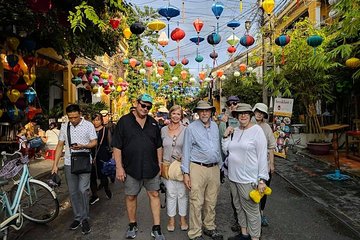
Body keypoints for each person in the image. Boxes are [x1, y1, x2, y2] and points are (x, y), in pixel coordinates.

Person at [112, 93, 165, 240]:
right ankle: (132, 224)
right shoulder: (124, 122)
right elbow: (117, 146)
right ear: (137, 103)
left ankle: (157, 228)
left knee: (154, 195)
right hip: (131, 168)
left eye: (148, 107)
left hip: (152, 167)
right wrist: (119, 167)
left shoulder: (153, 123)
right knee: (130, 196)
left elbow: (158, 146)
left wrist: (160, 164)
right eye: (143, 105)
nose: (145, 108)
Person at [222, 103, 269, 240]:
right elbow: (227, 151)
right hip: (233, 177)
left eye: (246, 113)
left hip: (248, 179)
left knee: (252, 211)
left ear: (250, 115)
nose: (243, 116)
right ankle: (244, 234)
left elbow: (262, 156)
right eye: (240, 113)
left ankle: (255, 237)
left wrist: (262, 180)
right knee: (239, 207)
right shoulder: (235, 131)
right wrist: (225, 137)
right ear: (236, 116)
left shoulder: (257, 131)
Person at [51, 104, 97, 235]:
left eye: (75, 117)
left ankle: (85, 218)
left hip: (84, 162)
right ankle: (78, 217)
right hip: (69, 163)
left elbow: (94, 142)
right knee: (73, 192)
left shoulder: (88, 125)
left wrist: (84, 145)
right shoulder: (65, 126)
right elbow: (60, 145)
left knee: (83, 190)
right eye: (70, 118)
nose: (73, 120)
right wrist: (55, 164)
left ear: (80, 114)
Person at [181, 100, 223, 240]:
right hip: (197, 168)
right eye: (202, 110)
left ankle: (209, 226)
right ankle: (195, 233)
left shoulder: (215, 127)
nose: (204, 113)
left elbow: (217, 147)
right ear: (198, 112)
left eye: (207, 110)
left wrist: (221, 167)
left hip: (214, 168)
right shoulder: (191, 128)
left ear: (211, 112)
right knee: (196, 201)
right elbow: (186, 150)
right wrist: (186, 173)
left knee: (211, 200)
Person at [161, 105, 188, 232]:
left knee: (182, 194)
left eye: (178, 114)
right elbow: (160, 148)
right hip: (167, 166)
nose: (176, 116)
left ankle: (182, 219)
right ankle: (171, 219)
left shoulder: (186, 130)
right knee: (170, 193)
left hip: (180, 166)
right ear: (170, 115)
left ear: (181, 116)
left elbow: (189, 148)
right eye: (174, 113)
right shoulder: (163, 130)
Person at [218, 96, 240, 232]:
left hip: (247, 162)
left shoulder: (246, 118)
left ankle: (255, 220)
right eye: (230, 104)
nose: (233, 105)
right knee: (235, 194)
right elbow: (221, 142)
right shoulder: (224, 121)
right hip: (231, 162)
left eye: (235, 103)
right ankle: (239, 220)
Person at [252, 103, 276, 227]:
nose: (259, 114)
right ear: (254, 111)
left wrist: (271, 164)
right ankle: (252, 215)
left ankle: (261, 213)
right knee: (251, 190)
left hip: (264, 163)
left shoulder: (266, 127)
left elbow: (271, 147)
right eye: (257, 111)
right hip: (251, 164)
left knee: (263, 190)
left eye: (262, 112)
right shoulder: (248, 125)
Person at [89, 112, 113, 205]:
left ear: (101, 120)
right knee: (92, 176)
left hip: (102, 155)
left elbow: (110, 143)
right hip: (91, 154)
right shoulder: (90, 130)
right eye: (94, 120)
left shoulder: (106, 130)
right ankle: (94, 195)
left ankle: (106, 188)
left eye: (98, 120)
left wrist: (111, 154)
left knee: (103, 174)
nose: (96, 122)